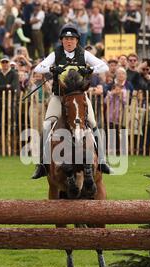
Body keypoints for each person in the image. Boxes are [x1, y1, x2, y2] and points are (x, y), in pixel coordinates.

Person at [32, 24, 111, 179]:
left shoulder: (84, 54)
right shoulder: (56, 54)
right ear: (62, 41)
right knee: (47, 124)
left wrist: (90, 70)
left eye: (72, 39)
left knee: (93, 123)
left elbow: (104, 66)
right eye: (66, 39)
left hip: (79, 96)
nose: (69, 42)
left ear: (77, 41)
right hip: (59, 97)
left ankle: (102, 160)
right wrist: (52, 69)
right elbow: (39, 68)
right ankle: (42, 164)